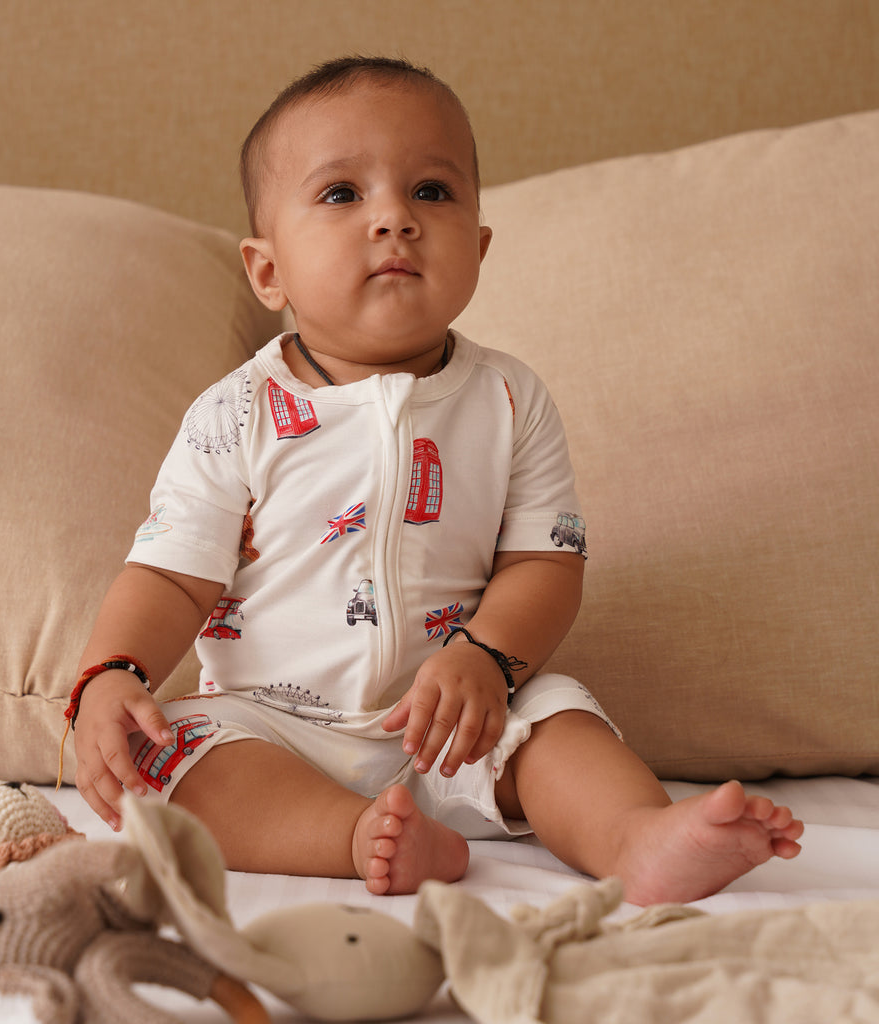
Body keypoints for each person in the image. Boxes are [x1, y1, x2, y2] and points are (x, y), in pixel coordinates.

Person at [71, 56, 803, 905]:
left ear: (479, 250)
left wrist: (486, 658)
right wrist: (110, 671)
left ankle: (635, 839)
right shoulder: (235, 415)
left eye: (432, 192)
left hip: (462, 721)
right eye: (342, 194)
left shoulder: (508, 399)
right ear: (267, 271)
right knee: (172, 759)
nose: (394, 218)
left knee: (558, 717)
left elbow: (544, 564)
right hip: (271, 728)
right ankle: (357, 837)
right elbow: (170, 573)